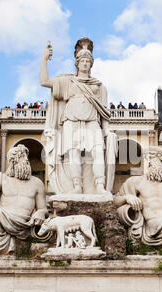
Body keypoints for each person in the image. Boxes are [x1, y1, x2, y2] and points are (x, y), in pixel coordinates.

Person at [40, 37, 117, 194]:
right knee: (73, 153)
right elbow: (44, 81)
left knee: (97, 152)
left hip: (91, 120)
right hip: (71, 119)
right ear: (77, 63)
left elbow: (104, 113)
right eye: (82, 60)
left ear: (91, 64)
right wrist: (44, 58)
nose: (85, 63)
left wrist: (107, 130)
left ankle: (100, 186)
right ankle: (76, 186)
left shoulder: (99, 86)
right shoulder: (68, 81)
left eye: (88, 61)